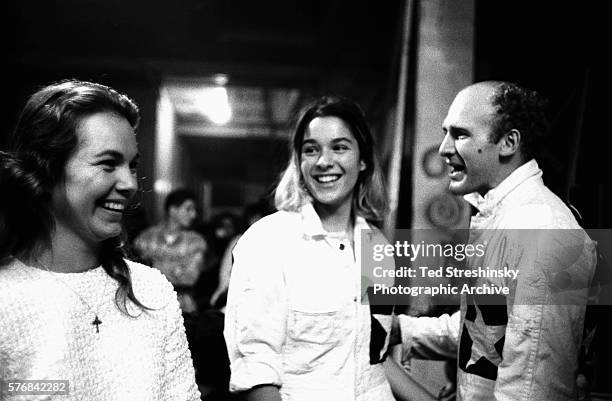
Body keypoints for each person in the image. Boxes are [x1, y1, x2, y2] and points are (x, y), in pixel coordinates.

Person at [392, 81, 597, 400]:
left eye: (460, 134)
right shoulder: (501, 215)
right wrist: (401, 330)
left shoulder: (541, 231)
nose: (445, 148)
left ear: (508, 142)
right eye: (446, 132)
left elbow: (531, 390)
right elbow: (485, 330)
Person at [0, 79, 200, 400]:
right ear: (46, 170)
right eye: (108, 164)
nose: (130, 183)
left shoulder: (151, 291)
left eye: (132, 166)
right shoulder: (7, 297)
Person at [223, 96, 397, 400]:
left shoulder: (378, 246)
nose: (323, 161)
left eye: (339, 147)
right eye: (311, 149)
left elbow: (376, 359)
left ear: (363, 160)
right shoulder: (268, 241)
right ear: (299, 162)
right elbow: (257, 373)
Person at [133, 188, 207, 314]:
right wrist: (176, 268)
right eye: (188, 209)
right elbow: (137, 276)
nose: (193, 215)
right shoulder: (146, 237)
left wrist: (155, 265)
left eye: (194, 210)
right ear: (172, 210)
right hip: (148, 304)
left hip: (183, 306)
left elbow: (189, 278)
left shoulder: (196, 241)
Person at [209, 200, 273, 311]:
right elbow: (225, 272)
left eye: (259, 218)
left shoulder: (269, 243)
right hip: (234, 297)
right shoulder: (240, 240)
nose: (255, 221)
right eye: (253, 218)